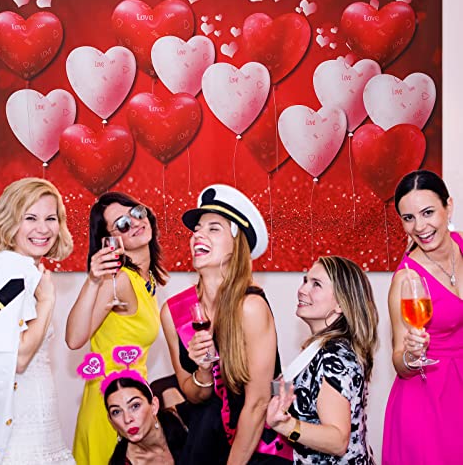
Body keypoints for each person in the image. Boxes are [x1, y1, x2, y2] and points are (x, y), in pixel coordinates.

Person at [161, 184, 293, 464]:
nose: (198, 235)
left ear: (236, 245)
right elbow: (194, 395)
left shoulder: (251, 307)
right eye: (197, 229)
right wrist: (203, 371)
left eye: (214, 228)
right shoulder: (174, 312)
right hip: (204, 445)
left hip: (256, 450)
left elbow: (257, 403)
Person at [0, 177, 74, 464]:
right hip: (21, 427)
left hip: (21, 417)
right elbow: (17, 356)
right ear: (10, 220)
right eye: (30, 218)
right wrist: (47, 301)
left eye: (50, 218)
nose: (43, 229)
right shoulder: (14, 272)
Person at [66, 192, 168, 465]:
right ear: (110, 241)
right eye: (122, 224)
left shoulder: (147, 280)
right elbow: (74, 338)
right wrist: (92, 280)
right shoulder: (121, 281)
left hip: (132, 403)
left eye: (136, 212)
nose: (134, 223)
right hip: (111, 406)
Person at [382, 170, 463, 464]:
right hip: (427, 400)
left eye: (427, 212)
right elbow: (400, 361)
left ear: (448, 206)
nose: (419, 226)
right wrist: (411, 355)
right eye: (408, 218)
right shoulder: (406, 280)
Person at [266, 255, 378, 464]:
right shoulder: (322, 349)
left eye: (316, 284)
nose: (302, 289)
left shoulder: (333, 357)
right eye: (305, 281)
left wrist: (286, 426)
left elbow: (337, 440)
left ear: (341, 304)